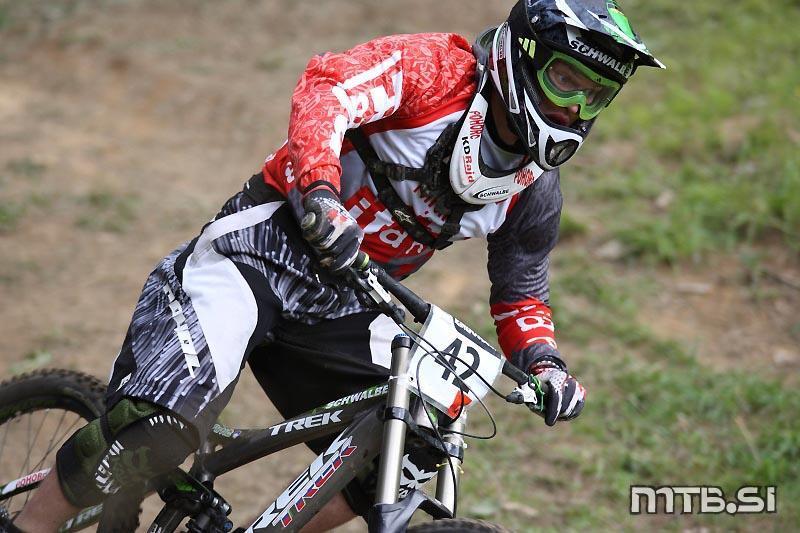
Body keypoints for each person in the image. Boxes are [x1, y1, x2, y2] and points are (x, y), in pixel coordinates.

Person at [7, 0, 663, 531]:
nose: (576, 108)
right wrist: (320, 192)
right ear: (522, 56)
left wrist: (545, 362)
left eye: (597, 94)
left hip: (349, 303)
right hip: (259, 254)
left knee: (412, 447)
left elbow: (521, 291)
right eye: (566, 80)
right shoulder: (437, 72)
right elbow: (329, 88)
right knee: (156, 428)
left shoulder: (533, 190)